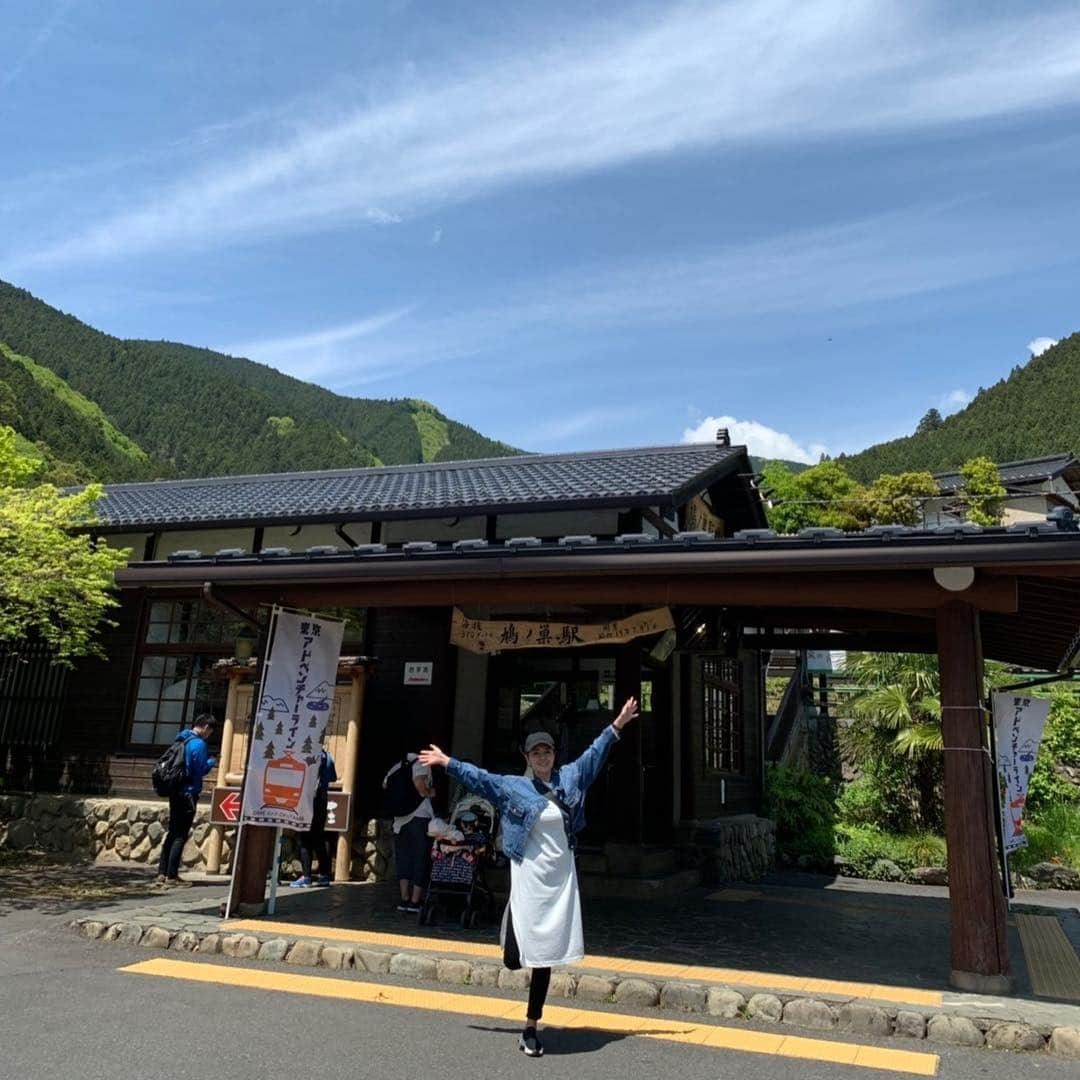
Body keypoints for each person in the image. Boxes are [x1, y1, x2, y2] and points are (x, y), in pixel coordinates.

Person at [419, 696, 639, 1058]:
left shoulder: (569, 779)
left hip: (560, 877)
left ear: (554, 754)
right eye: (535, 753)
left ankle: (531, 1026)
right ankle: (513, 933)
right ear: (527, 757)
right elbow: (482, 779)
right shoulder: (514, 787)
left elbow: (594, 755)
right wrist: (448, 763)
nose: (542, 758)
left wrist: (617, 725)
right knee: (514, 958)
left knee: (545, 955)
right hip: (529, 875)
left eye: (547, 752)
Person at [155, 715, 216, 888]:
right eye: (210, 730)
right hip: (188, 792)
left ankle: (162, 872)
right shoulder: (199, 744)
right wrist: (211, 762)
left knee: (172, 831)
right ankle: (172, 875)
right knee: (181, 833)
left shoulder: (181, 738)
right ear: (205, 727)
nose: (209, 734)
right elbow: (199, 770)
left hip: (175, 790)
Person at [384, 752, 435, 913]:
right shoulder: (421, 763)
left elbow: (385, 785)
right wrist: (429, 792)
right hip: (419, 817)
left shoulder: (397, 766)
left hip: (399, 821)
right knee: (420, 857)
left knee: (403, 858)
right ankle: (415, 901)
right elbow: (419, 783)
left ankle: (404, 898)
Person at [290, 747, 337, 888]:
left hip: (307, 800)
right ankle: (324, 876)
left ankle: (306, 876)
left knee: (305, 839)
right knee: (319, 839)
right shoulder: (327, 756)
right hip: (322, 801)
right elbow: (333, 777)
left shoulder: (307, 755)